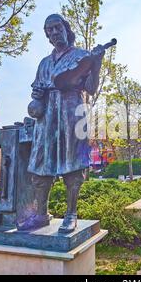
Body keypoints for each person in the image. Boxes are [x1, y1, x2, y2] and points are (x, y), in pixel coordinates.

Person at [19, 14, 105, 233]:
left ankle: (71, 214)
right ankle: (40, 215)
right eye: (50, 30)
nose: (55, 33)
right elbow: (36, 91)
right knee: (40, 165)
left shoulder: (82, 55)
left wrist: (97, 64)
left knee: (72, 164)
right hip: (46, 118)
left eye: (58, 28)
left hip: (71, 114)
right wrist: (37, 92)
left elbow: (92, 89)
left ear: (66, 29)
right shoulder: (44, 63)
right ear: (47, 35)